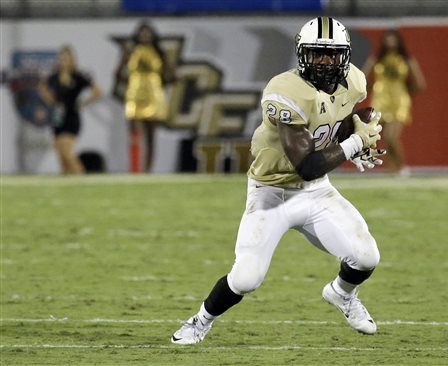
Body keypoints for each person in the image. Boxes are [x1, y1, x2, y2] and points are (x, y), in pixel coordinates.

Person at [171, 17, 385, 345]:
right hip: (271, 194)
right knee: (245, 278)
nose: (323, 61)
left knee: (367, 256)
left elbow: (334, 124)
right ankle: (200, 320)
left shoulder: (354, 81)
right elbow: (307, 164)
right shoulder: (286, 91)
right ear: (302, 55)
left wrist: (353, 133)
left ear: (345, 56)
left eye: (331, 54)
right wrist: (354, 144)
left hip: (315, 194)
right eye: (315, 54)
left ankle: (342, 294)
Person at [363, 29, 426, 175]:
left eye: (393, 39)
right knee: (384, 137)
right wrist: (373, 88)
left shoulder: (406, 59)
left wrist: (405, 92)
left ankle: (402, 166)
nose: (390, 42)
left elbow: (419, 83)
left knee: (392, 136)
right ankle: (392, 169)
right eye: (388, 39)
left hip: (398, 101)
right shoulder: (377, 59)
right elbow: (365, 76)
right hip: (380, 101)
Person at [39, 46, 102, 174]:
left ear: (72, 59)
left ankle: (81, 178)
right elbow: (42, 87)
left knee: (67, 152)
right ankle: (67, 184)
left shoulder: (77, 76)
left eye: (66, 58)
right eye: (61, 58)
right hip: (58, 117)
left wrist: (83, 103)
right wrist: (51, 102)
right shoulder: (54, 77)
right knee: (61, 156)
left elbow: (98, 91)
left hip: (71, 117)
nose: (63, 61)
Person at [123, 22, 174, 173]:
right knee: (134, 134)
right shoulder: (131, 51)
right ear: (137, 35)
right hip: (135, 95)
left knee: (150, 136)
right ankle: (134, 168)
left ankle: (147, 170)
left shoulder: (159, 52)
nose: (145, 36)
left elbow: (172, 75)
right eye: (142, 33)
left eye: (148, 33)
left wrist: (159, 81)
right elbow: (118, 73)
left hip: (152, 96)